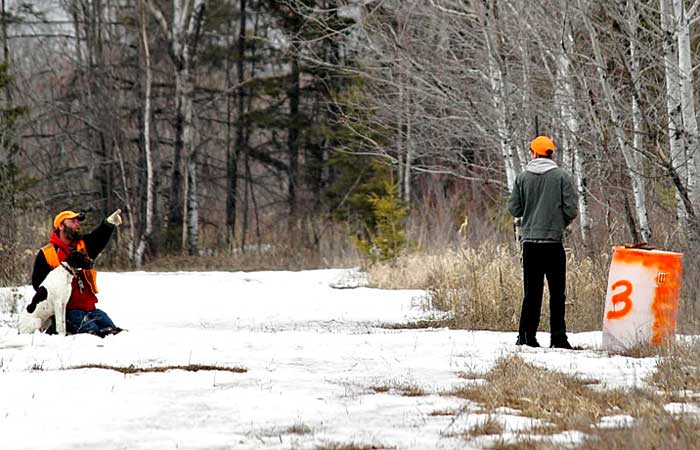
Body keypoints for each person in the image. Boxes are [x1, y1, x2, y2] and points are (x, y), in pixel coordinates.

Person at [508, 136, 578, 349]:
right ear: (550, 153)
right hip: (553, 244)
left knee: (532, 293)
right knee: (557, 293)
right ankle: (558, 338)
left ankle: (527, 337)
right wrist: (559, 223)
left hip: (530, 244)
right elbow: (572, 209)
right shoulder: (562, 177)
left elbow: (515, 209)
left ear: (534, 153)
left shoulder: (522, 178)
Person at [31, 208, 123, 337]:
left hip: (90, 308)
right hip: (67, 312)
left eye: (78, 221)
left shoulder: (83, 246)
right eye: (73, 221)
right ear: (61, 226)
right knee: (94, 335)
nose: (77, 223)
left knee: (114, 333)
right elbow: (38, 285)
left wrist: (108, 224)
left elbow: (98, 238)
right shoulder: (46, 253)